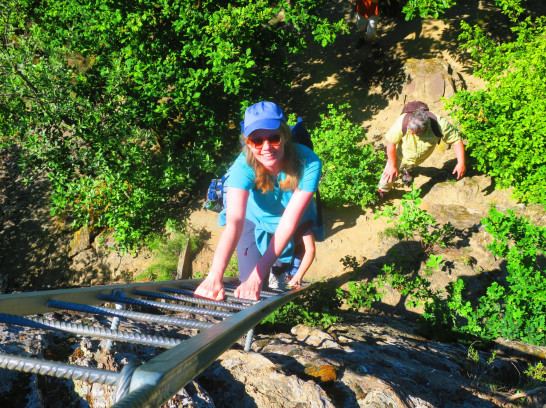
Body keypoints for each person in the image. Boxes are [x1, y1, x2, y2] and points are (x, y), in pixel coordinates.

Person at [194, 102, 322, 301]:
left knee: (275, 267)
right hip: (252, 219)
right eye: (257, 141)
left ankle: (275, 276)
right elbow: (234, 224)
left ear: (285, 136)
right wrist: (214, 276)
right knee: (249, 285)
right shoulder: (242, 168)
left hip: (288, 220)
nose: (266, 147)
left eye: (273, 138)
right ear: (247, 142)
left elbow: (288, 223)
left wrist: (257, 276)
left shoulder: (309, 163)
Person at [377, 108, 466, 197]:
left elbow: (456, 141)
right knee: (388, 177)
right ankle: (381, 192)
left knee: (409, 166)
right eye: (410, 129)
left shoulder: (439, 124)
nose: (411, 133)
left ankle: (407, 172)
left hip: (418, 159)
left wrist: (461, 163)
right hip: (401, 156)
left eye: (415, 133)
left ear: (424, 129)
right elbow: (391, 142)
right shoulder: (402, 122)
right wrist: (392, 166)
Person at [286, 220, 316, 288]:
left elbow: (310, 249)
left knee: (296, 265)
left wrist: (298, 275)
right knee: (284, 265)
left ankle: (293, 278)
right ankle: (286, 276)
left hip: (299, 250)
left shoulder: (303, 223)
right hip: (286, 251)